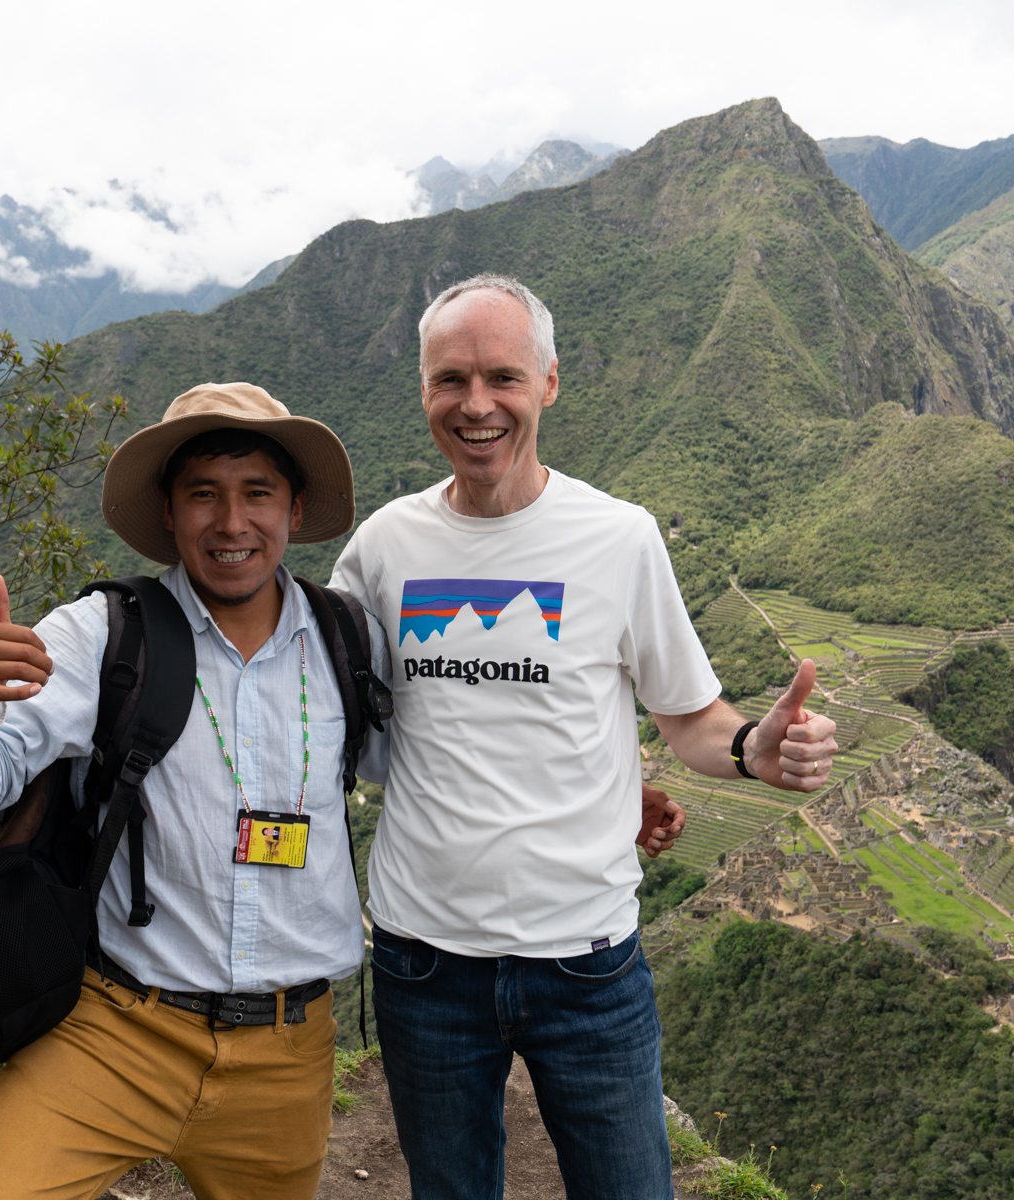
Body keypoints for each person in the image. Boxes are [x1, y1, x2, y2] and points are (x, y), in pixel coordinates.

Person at [329, 274, 838, 1200]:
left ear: (549, 383)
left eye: (502, 378)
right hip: (423, 958)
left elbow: (688, 717)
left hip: (586, 960)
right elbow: (342, 720)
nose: (476, 405)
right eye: (451, 380)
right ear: (423, 391)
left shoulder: (619, 539)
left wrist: (748, 752)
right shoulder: (382, 549)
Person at [0, 382, 386, 1200]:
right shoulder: (103, 635)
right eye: (203, 493)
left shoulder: (349, 640)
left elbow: (440, 761)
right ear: (168, 512)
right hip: (114, 1032)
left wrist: (610, 790)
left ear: (296, 509)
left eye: (257, 493)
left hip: (288, 1054)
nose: (231, 523)